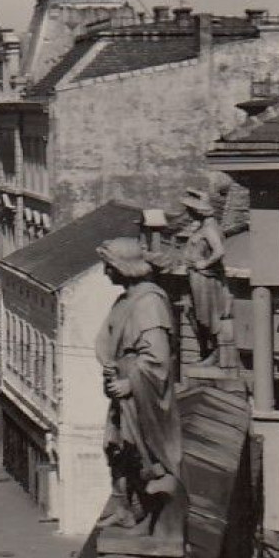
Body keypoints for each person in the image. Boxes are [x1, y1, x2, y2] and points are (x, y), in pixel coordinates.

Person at [95, 236, 185, 537]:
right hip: (123, 386)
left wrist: (129, 383)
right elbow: (108, 338)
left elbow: (158, 358)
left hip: (139, 392)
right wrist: (109, 364)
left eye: (109, 266)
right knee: (116, 448)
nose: (106, 273)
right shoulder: (126, 300)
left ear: (124, 267)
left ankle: (147, 513)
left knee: (139, 452)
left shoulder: (149, 303)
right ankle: (123, 509)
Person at [179, 186, 231, 365]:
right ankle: (205, 352)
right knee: (192, 312)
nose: (187, 212)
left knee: (206, 315)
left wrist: (204, 263)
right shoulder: (203, 226)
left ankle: (213, 353)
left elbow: (219, 251)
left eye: (190, 209)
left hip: (205, 278)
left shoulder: (210, 228)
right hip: (195, 276)